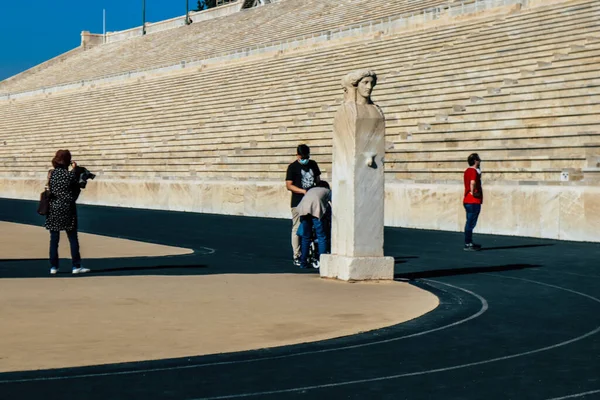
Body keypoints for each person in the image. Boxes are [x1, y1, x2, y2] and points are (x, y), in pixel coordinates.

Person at [45, 150, 90, 274]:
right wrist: (76, 170)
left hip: (53, 208)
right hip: (68, 208)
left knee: (54, 239)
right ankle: (76, 266)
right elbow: (80, 185)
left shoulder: (51, 174)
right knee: (72, 238)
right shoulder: (69, 175)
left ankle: (53, 267)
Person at [285, 144, 321, 266]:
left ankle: (312, 253)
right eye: (303, 157)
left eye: (307, 156)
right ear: (298, 155)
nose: (305, 159)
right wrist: (302, 191)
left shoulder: (313, 164)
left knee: (313, 228)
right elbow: (289, 185)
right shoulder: (292, 167)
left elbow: (318, 180)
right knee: (297, 228)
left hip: (312, 201)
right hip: (298, 201)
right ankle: (297, 254)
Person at [296, 181, 331, 269]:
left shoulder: (311, 190)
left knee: (305, 237)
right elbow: (335, 203)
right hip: (315, 210)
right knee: (321, 236)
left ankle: (303, 262)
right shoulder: (327, 191)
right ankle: (322, 262)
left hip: (303, 210)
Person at [463, 153, 483, 251]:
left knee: (469, 222)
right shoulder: (473, 171)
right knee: (470, 223)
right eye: (478, 160)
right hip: (473, 201)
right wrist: (474, 193)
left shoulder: (467, 171)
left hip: (467, 201)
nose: (480, 161)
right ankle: (468, 243)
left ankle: (469, 242)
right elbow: (472, 182)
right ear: (475, 161)